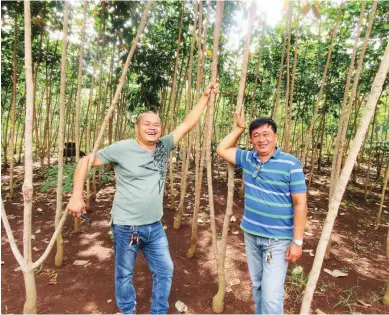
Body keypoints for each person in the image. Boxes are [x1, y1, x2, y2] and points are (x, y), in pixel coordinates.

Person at [67, 83, 219, 314]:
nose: (152, 128)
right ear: (136, 127)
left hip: (155, 226)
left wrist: (205, 97)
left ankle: (157, 312)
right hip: (127, 227)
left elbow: (188, 123)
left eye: (156, 125)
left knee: (165, 269)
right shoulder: (122, 149)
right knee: (124, 273)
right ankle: (128, 311)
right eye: (146, 124)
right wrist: (76, 196)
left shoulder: (163, 146)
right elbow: (84, 162)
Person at [216, 114, 307, 314]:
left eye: (266, 134)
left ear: (276, 136)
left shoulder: (291, 164)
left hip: (278, 240)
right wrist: (239, 128)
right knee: (257, 285)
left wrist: (297, 242)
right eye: (256, 135)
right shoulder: (249, 159)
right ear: (251, 140)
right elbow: (221, 149)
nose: (261, 139)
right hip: (251, 234)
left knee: (271, 294)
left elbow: (300, 204)